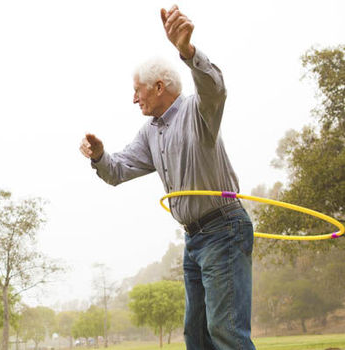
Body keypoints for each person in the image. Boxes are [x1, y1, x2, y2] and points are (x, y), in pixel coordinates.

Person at [79, 5, 255, 350]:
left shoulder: (197, 110)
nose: (133, 98)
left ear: (158, 87)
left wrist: (187, 52)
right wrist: (99, 155)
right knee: (196, 335)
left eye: (138, 90)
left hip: (224, 229)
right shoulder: (150, 132)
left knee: (227, 332)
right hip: (194, 239)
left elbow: (215, 89)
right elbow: (117, 170)